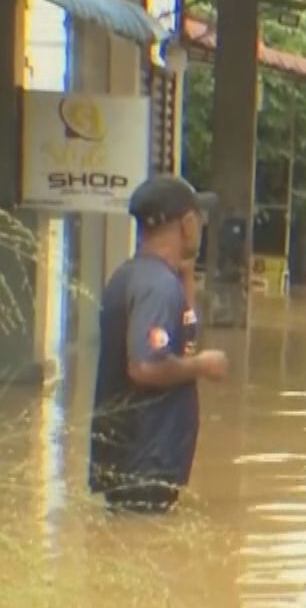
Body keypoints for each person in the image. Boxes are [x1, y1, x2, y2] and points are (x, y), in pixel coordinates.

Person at [89, 174, 229, 513]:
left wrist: (186, 276)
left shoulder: (140, 275)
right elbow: (145, 366)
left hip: (133, 461)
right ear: (188, 224)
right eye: (199, 219)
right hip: (145, 461)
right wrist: (203, 366)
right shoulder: (157, 287)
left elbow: (185, 339)